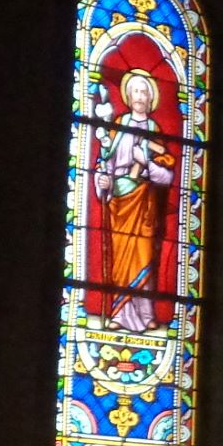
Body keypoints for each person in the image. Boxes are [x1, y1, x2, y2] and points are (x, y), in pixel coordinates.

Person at [94, 67, 178, 332]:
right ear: (128, 97)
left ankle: (146, 313)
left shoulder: (155, 131)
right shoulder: (117, 126)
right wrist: (103, 182)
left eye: (144, 92)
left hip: (145, 202)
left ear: (150, 98)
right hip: (119, 200)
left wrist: (147, 164)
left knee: (144, 256)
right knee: (121, 259)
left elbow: (167, 173)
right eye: (136, 92)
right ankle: (120, 314)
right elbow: (105, 161)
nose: (140, 96)